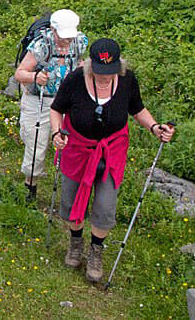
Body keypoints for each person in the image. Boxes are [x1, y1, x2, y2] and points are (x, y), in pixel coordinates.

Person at [50, 38, 175, 283]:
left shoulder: (127, 80)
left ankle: (96, 251)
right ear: (89, 65)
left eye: (110, 71)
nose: (105, 77)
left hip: (111, 150)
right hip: (78, 147)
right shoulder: (75, 80)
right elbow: (57, 109)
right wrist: (57, 133)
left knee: (106, 206)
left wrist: (154, 127)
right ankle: (75, 242)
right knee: (71, 199)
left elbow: (137, 109)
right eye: (99, 72)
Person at [13, 9, 88, 203]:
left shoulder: (79, 42)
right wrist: (35, 77)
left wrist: (83, 67)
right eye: (63, 37)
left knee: (71, 146)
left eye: (69, 36)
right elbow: (19, 73)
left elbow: (79, 62)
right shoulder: (41, 45)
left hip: (67, 100)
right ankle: (30, 189)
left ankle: (71, 194)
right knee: (36, 145)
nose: (67, 41)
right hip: (39, 99)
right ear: (53, 30)